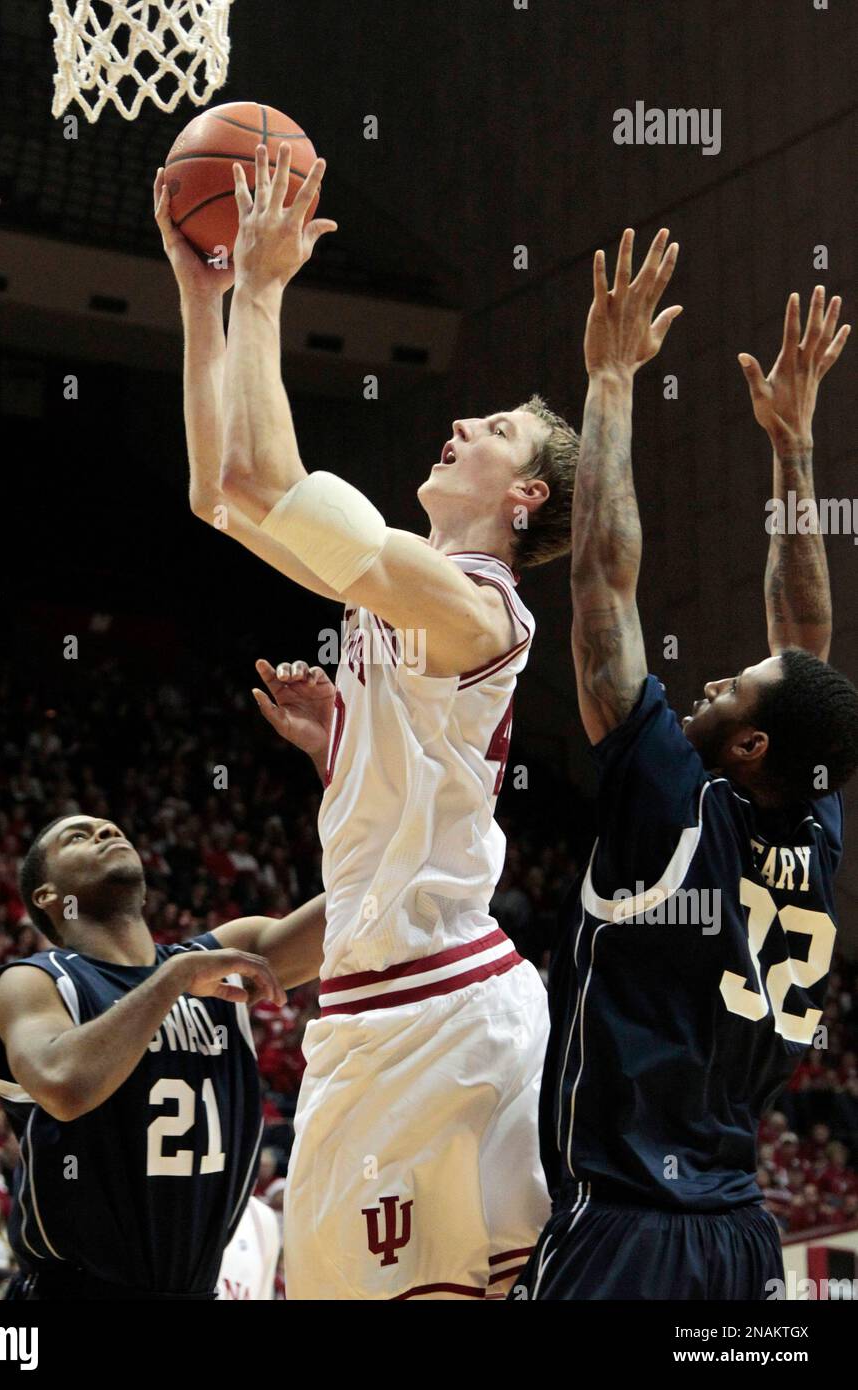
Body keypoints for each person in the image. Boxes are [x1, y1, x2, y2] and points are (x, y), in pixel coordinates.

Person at [155, 144, 582, 1299]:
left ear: (524, 494)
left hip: (441, 1012)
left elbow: (269, 478)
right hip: (365, 1011)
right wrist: (205, 297)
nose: (462, 422)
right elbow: (218, 492)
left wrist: (266, 286)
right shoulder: (393, 600)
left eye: (493, 428)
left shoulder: (472, 603)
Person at [513, 231, 858, 1299]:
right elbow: (801, 643)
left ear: (750, 744)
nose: (705, 684)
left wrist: (608, 378)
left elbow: (601, 587)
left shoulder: (671, 806)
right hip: (736, 1239)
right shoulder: (810, 826)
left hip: (627, 1232)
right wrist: (789, 450)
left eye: (725, 691)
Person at [0, 813, 326, 1299]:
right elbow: (64, 1083)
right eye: (77, 837)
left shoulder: (220, 955)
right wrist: (172, 979)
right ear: (47, 896)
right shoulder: (35, 981)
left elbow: (358, 913)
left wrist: (337, 769)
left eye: (112, 829)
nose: (105, 833)